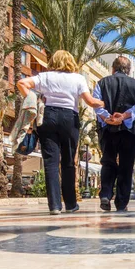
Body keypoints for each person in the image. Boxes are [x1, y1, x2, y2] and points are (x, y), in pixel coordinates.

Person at [17, 50, 105, 215]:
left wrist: (34, 102)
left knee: (50, 162)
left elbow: (22, 83)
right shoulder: (78, 78)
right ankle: (71, 204)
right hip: (69, 119)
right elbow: (90, 102)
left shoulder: (46, 76)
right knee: (68, 161)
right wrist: (105, 103)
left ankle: (55, 206)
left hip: (47, 117)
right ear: (70, 62)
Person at [94, 56, 135, 212]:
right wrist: (124, 116)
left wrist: (107, 117)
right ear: (129, 70)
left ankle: (105, 194)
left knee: (108, 162)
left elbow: (96, 103)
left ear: (113, 68)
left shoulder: (101, 83)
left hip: (107, 130)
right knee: (126, 165)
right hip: (129, 131)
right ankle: (121, 202)